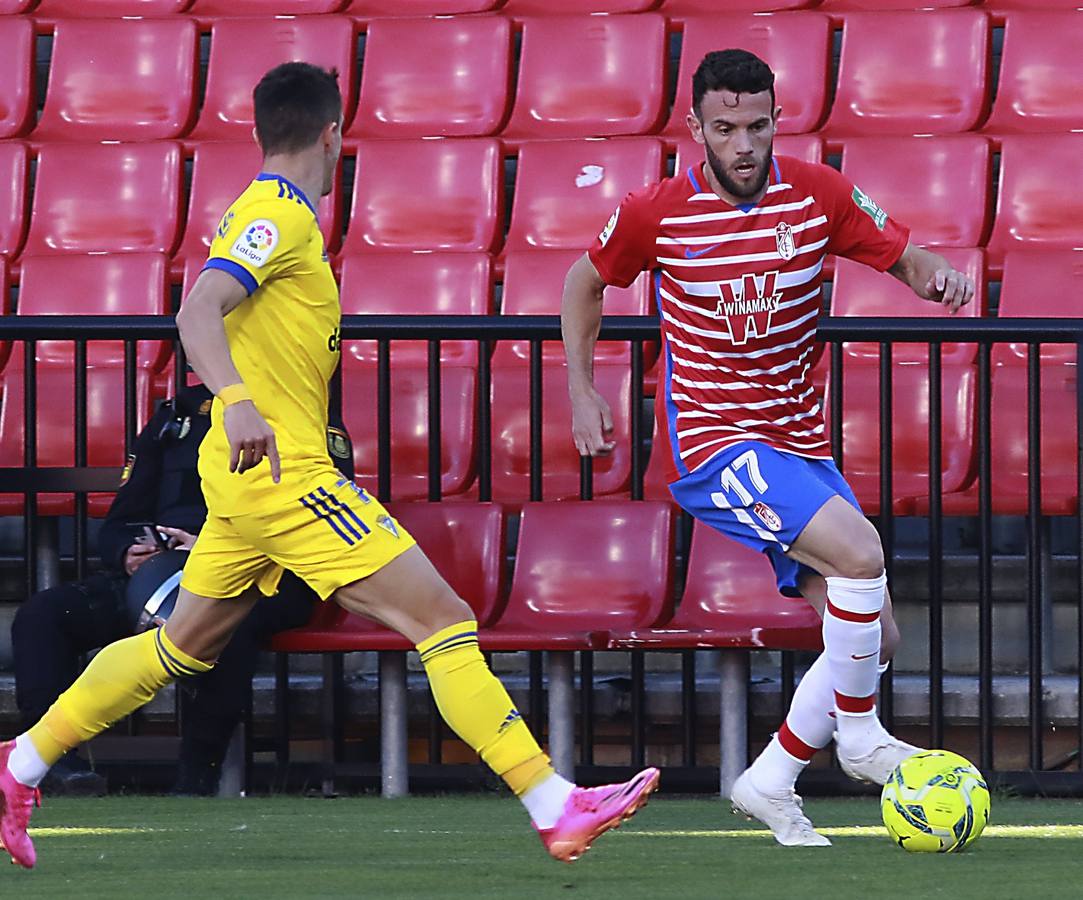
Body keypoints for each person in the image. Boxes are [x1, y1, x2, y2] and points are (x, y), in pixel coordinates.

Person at [0, 61, 658, 870]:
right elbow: (197, 307)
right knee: (443, 619)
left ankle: (19, 763)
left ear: (259, 130)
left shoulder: (273, 213)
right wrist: (235, 397)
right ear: (333, 135)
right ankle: (553, 802)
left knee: (181, 648)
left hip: (247, 481)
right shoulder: (277, 215)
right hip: (284, 477)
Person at [561, 49, 974, 847]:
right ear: (695, 128)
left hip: (795, 440)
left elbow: (900, 254)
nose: (742, 144)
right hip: (714, 439)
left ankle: (769, 779)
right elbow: (583, 281)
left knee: (874, 633)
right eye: (725, 128)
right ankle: (859, 742)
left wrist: (935, 277)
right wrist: (582, 389)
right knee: (860, 552)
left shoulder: (816, 193)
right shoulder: (656, 210)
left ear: (776, 120)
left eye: (756, 126)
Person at [9, 383, 351, 796]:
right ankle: (57, 765)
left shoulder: (305, 411)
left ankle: (196, 780)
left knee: (225, 622)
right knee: (43, 616)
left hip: (263, 573)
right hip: (162, 573)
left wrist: (213, 545)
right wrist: (130, 554)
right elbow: (121, 521)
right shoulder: (178, 417)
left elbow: (327, 517)